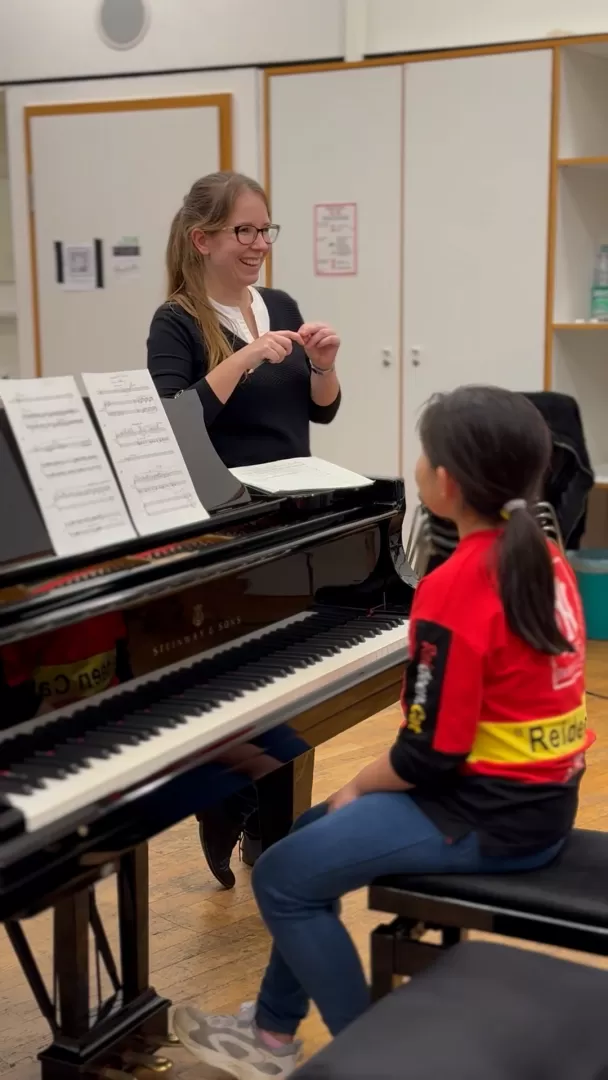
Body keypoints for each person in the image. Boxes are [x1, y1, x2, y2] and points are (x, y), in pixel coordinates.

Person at [171, 385, 592, 1080]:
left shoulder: (458, 584)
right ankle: (271, 1034)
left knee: (280, 876)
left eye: (423, 456)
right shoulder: (541, 557)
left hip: (487, 813)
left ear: (445, 483)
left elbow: (429, 754)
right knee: (305, 836)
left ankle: (379, 1058)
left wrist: (359, 786)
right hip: (536, 799)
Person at [147, 171, 341, 888]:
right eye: (244, 231)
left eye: (265, 230)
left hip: (296, 518)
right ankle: (227, 801)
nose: (259, 244)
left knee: (293, 680)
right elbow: (176, 424)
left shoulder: (279, 305)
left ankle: (267, 827)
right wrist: (244, 358)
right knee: (238, 686)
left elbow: (319, 411)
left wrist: (323, 368)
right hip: (226, 526)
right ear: (203, 240)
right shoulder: (176, 321)